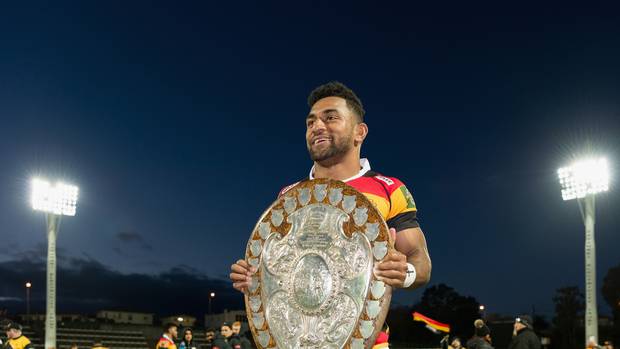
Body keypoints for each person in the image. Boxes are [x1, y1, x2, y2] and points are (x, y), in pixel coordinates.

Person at [229, 81, 432, 346]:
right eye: (310, 122)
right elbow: (279, 269)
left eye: (331, 118)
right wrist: (253, 275)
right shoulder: (289, 196)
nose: (317, 127)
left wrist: (405, 272)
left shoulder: (388, 189)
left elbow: (421, 261)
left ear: (360, 132)